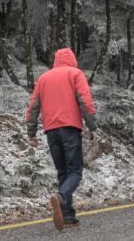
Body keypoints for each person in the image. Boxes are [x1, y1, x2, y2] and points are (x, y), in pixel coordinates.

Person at [24, 47, 98, 231]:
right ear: (73, 59)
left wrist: (31, 133)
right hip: (70, 128)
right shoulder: (75, 74)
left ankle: (68, 216)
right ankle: (62, 197)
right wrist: (92, 127)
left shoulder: (44, 78)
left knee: (63, 172)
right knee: (75, 172)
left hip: (51, 131)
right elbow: (84, 101)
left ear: (56, 60)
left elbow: (33, 106)